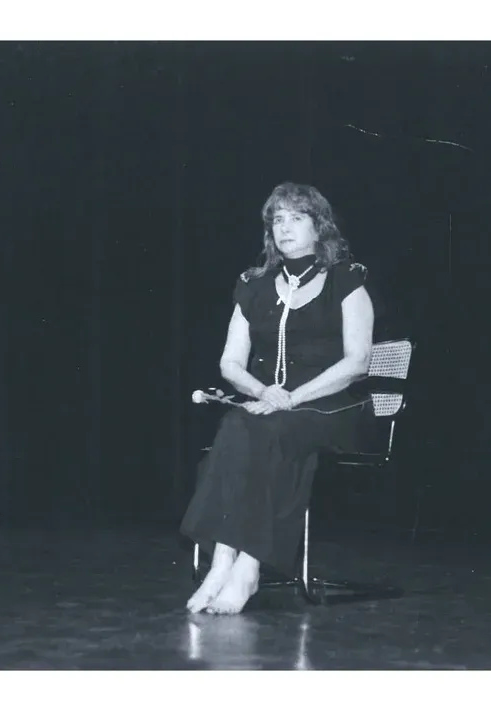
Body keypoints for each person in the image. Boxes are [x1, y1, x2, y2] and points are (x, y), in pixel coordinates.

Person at [180, 182, 376, 614]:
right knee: (239, 424)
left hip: (334, 405)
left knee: (270, 430)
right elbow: (231, 363)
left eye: (297, 218)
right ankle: (223, 563)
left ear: (319, 226)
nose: (285, 228)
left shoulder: (346, 279)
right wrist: (262, 391)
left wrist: (291, 398)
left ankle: (248, 566)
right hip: (271, 406)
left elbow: (357, 362)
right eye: (278, 220)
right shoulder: (254, 285)